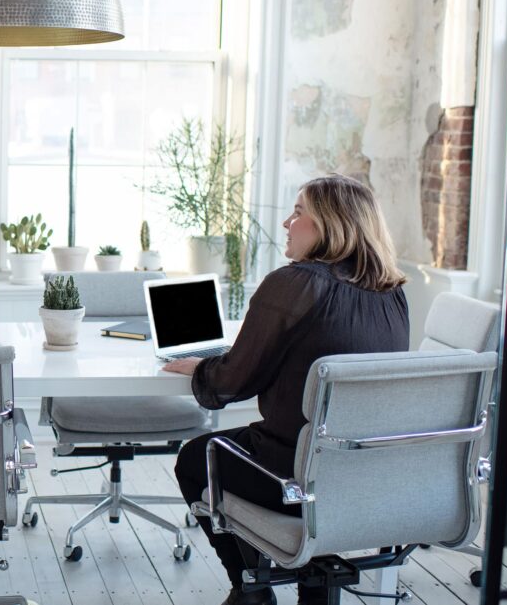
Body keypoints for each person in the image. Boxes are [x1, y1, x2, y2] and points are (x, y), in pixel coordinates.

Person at [167, 174, 409, 605]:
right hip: (369, 476)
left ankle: (250, 590)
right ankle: (312, 589)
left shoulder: (295, 282)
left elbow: (233, 381)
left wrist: (203, 368)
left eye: (299, 213)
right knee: (306, 446)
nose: (286, 223)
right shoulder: (392, 293)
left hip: (295, 477)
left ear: (329, 226)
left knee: (195, 458)